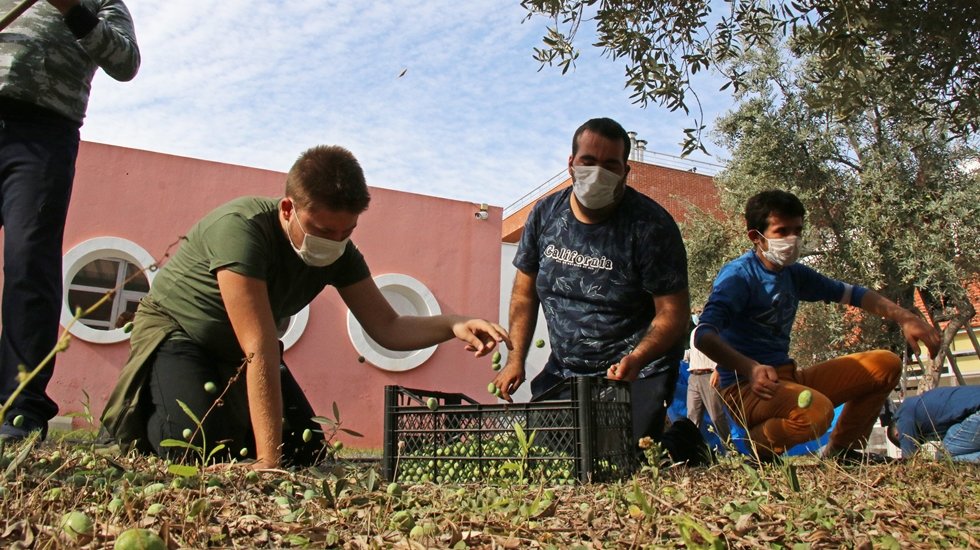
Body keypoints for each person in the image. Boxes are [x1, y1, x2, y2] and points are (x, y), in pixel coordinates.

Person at [100, 145, 510, 469]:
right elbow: (259, 346)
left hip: (243, 352)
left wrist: (454, 324)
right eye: (322, 229)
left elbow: (388, 326)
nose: (334, 240)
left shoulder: (341, 254)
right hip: (180, 334)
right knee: (191, 451)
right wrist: (267, 465)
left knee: (304, 454)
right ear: (287, 209)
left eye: (346, 231)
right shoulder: (241, 230)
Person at [694, 190, 940, 463]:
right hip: (746, 388)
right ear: (756, 236)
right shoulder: (739, 276)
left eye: (797, 230)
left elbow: (855, 294)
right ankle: (758, 447)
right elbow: (704, 335)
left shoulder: (794, 274)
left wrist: (905, 317)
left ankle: (842, 451)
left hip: (788, 378)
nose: (792, 240)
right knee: (815, 412)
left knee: (885, 364)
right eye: (782, 231)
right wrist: (749, 368)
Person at [493, 117, 690, 443]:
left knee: (628, 457)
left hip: (637, 371)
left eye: (610, 165)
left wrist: (637, 358)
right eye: (588, 161)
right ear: (571, 164)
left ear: (626, 171)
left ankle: (681, 439)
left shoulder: (651, 226)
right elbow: (524, 295)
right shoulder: (545, 215)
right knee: (551, 456)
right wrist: (515, 359)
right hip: (566, 370)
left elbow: (674, 313)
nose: (598, 172)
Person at [0, 0, 139, 440]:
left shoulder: (100, 3)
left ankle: (19, 410)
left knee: (28, 262)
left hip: (42, 134)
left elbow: (125, 62)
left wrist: (71, 10)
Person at [887, 385, 980, 462]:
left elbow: (909, 459)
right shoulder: (921, 405)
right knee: (953, 439)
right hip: (974, 410)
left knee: (943, 458)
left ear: (897, 434)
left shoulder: (903, 416)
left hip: (977, 413)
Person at [686, 327, 731, 442]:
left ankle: (730, 449)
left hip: (709, 375)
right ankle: (692, 449)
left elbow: (724, 351)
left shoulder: (716, 331)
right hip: (694, 376)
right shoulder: (694, 332)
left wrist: (718, 370)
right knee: (692, 416)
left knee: (716, 416)